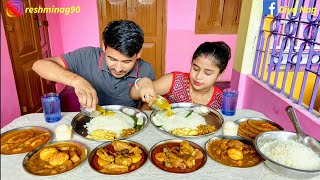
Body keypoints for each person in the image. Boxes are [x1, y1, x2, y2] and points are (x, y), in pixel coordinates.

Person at [32, 20, 155, 109]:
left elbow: (147, 105)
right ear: (103, 47)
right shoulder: (87, 56)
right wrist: (77, 81)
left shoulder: (146, 69)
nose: (118, 69)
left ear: (138, 53)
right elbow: (39, 65)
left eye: (126, 62)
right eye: (112, 59)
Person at [131, 41, 231, 109]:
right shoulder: (174, 81)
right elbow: (135, 95)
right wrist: (143, 82)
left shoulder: (220, 100)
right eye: (195, 68)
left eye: (207, 73)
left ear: (219, 75)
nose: (198, 77)